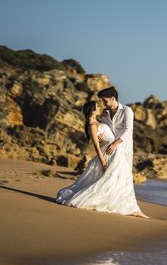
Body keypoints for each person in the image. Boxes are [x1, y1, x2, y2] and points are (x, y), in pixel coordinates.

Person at [55, 88, 148, 218]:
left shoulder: (127, 111)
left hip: (123, 148)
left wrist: (114, 143)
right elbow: (100, 127)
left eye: (104, 100)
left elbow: (128, 130)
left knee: (124, 179)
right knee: (113, 179)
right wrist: (101, 137)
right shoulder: (105, 114)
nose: (103, 103)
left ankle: (130, 207)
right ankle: (128, 207)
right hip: (110, 151)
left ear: (113, 98)